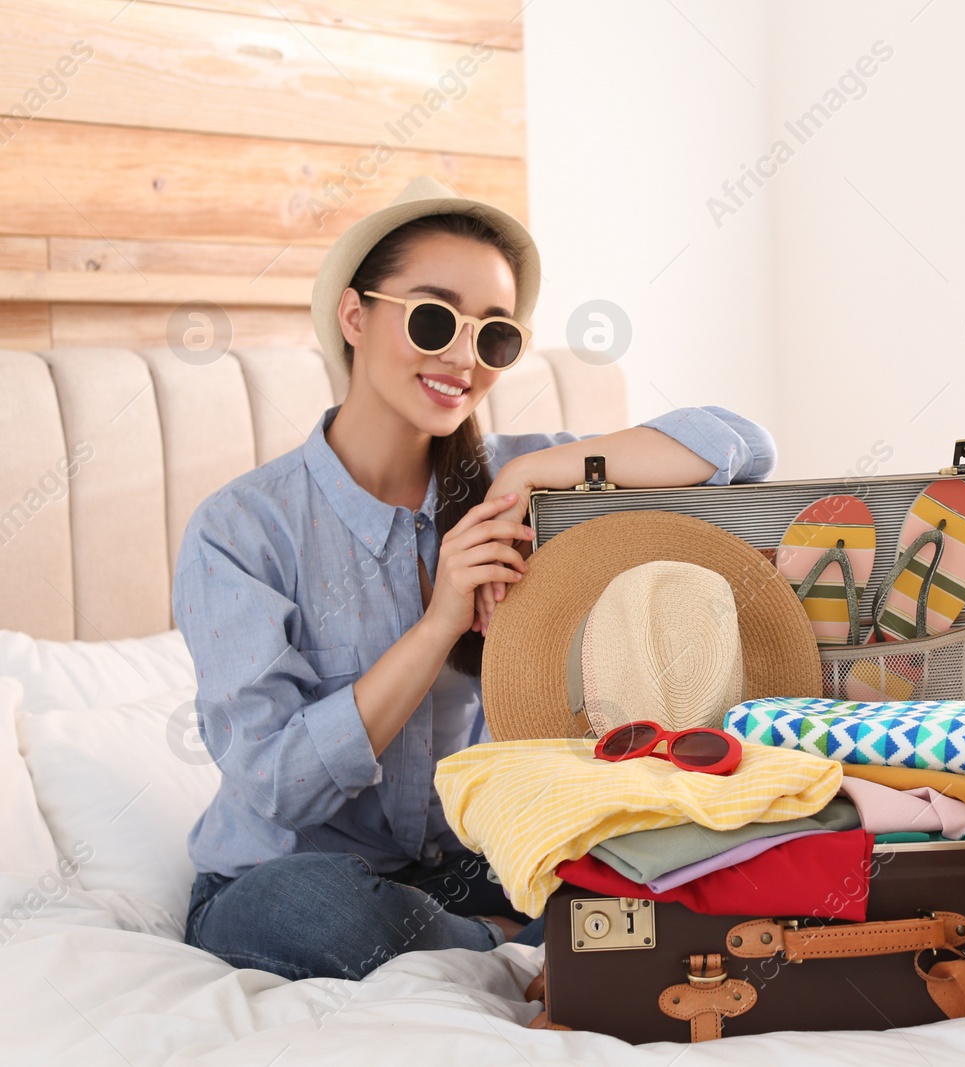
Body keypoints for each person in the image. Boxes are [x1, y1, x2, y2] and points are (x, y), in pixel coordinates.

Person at [175, 177, 776, 983]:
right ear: (356, 317)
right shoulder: (240, 529)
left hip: (480, 862)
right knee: (307, 908)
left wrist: (538, 467)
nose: (463, 357)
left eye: (494, 336)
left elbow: (740, 447)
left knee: (691, 852)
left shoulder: (516, 477)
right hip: (292, 873)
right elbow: (276, 787)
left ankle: (490, 931)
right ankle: (515, 944)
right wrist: (436, 625)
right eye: (433, 319)